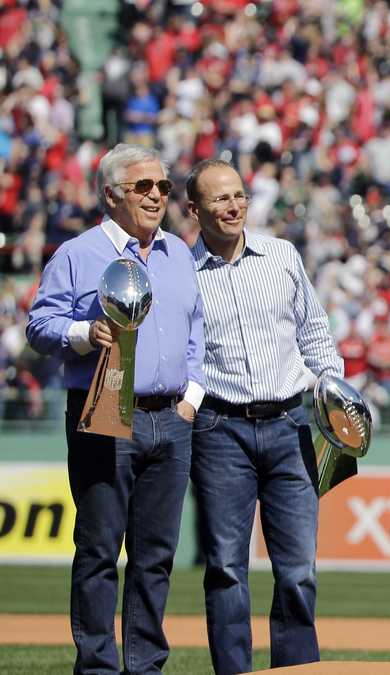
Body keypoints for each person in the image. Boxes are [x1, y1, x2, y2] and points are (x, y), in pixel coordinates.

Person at [26, 143, 206, 674]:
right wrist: (85, 333)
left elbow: (197, 334)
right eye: (144, 186)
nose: (157, 196)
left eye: (164, 187)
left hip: (171, 418)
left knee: (156, 557)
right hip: (103, 409)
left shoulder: (178, 253)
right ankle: (99, 666)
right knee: (100, 550)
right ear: (112, 194)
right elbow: (39, 327)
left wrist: (191, 400)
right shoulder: (78, 254)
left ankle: (145, 665)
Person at [185, 158, 347, 674]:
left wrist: (336, 395)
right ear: (194, 210)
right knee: (227, 569)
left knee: (298, 569)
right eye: (219, 199)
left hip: (291, 424)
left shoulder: (281, 255)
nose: (233, 207)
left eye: (239, 196)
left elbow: (314, 333)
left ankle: (295, 671)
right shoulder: (180, 273)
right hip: (218, 429)